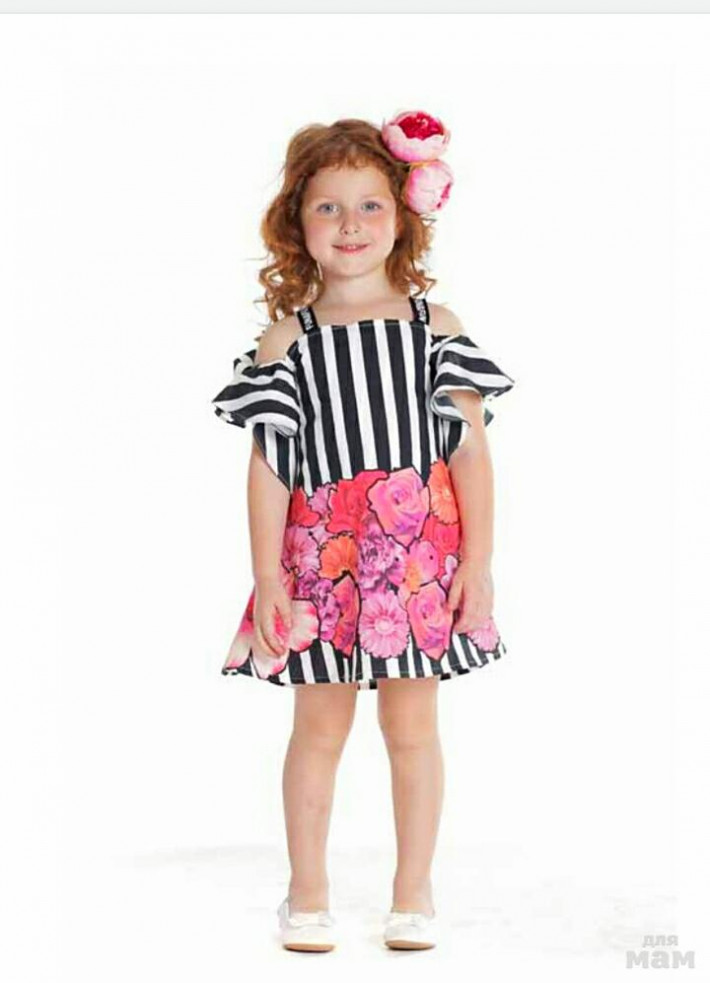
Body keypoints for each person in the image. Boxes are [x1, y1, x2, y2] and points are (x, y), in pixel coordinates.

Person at [211, 110, 516, 953]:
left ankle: (413, 890)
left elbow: (470, 451)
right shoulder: (286, 340)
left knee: (411, 728)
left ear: (403, 216)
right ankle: (306, 891)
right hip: (321, 558)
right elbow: (270, 466)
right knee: (318, 727)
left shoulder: (434, 326)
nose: (350, 224)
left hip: (418, 555)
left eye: (370, 205)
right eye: (328, 207)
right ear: (297, 223)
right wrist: (268, 577)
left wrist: (479, 562)